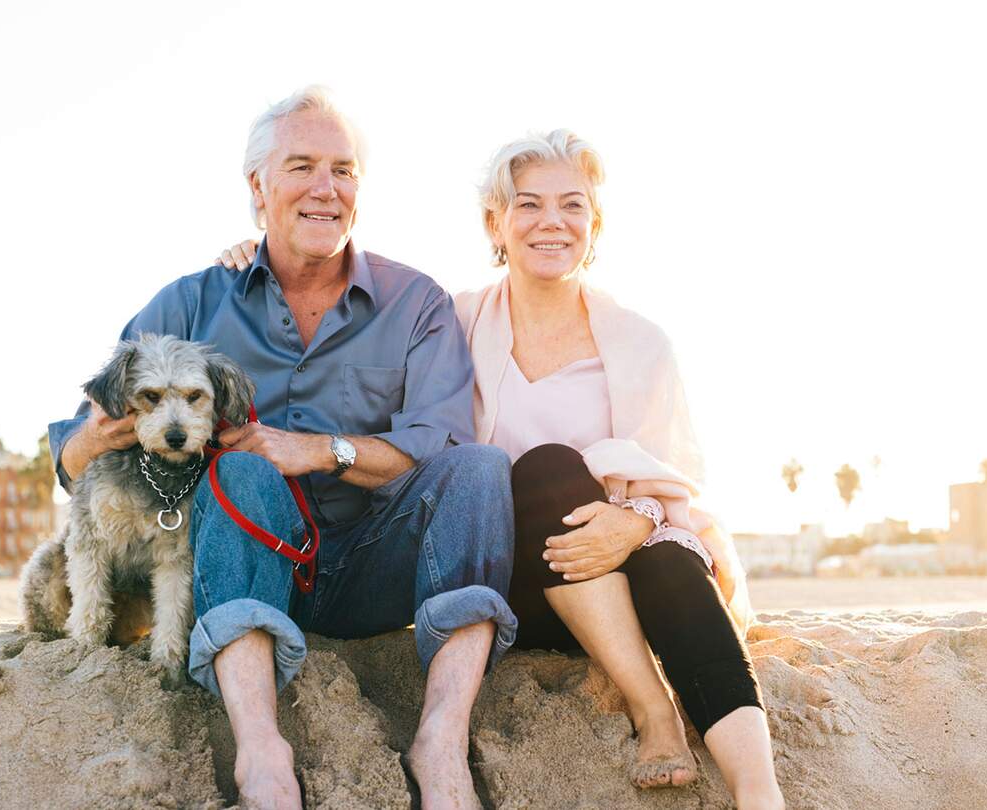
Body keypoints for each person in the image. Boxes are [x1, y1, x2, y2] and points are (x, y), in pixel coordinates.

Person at [221, 131, 785, 807]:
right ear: (496, 223)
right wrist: (267, 261)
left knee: (670, 563)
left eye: (572, 206)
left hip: (628, 567)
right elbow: (357, 318)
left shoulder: (642, 343)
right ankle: (653, 710)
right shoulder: (454, 320)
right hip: (520, 582)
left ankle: (762, 793)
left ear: (593, 224)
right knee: (543, 469)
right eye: (528, 204)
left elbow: (672, 477)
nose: (552, 221)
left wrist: (633, 522)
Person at [54, 86, 516, 810]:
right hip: (246, 558)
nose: (325, 188)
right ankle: (262, 752)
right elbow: (80, 448)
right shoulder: (192, 301)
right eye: (301, 165)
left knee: (481, 467)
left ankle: (442, 736)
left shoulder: (415, 301)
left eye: (343, 169)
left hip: (375, 563)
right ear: (257, 186)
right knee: (239, 467)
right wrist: (96, 433)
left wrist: (320, 449)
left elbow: (437, 444)